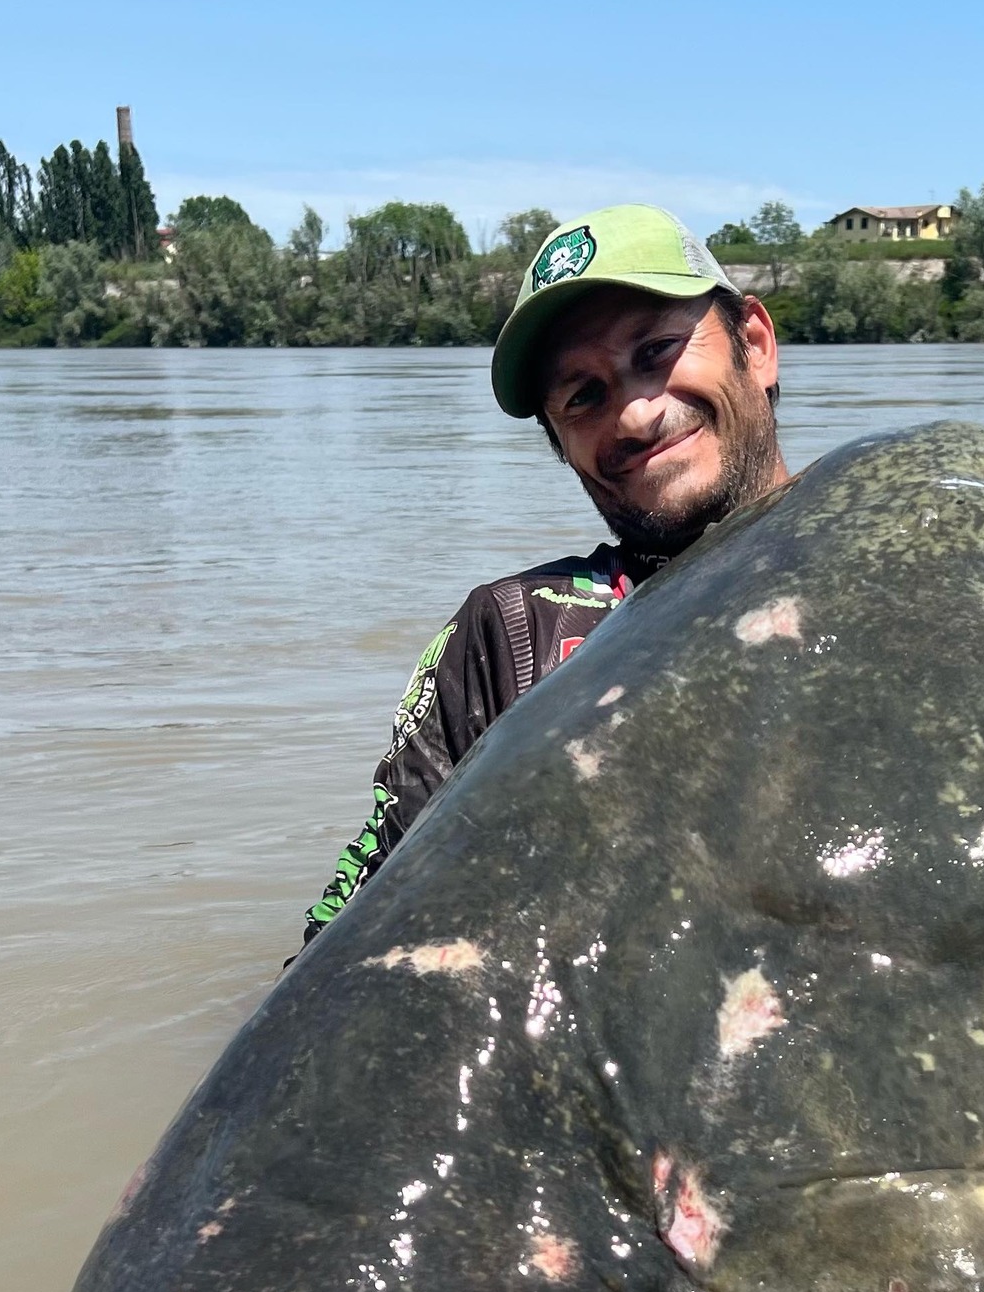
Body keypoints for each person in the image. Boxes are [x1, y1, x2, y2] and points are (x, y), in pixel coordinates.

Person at [296, 204, 790, 952]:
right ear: (560, 442)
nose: (633, 412)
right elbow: (346, 943)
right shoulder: (508, 636)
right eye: (582, 395)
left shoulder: (907, 555)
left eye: (656, 349)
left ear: (754, 344)